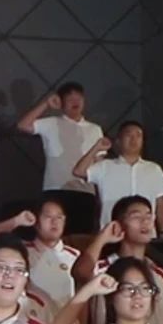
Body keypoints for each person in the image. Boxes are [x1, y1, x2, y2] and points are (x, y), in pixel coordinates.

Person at [17, 81, 105, 229]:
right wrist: (46, 104)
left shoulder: (94, 129)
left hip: (85, 191)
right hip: (55, 190)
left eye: (79, 98)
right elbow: (23, 125)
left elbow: (99, 165)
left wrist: (100, 195)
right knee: (54, 232)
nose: (75, 102)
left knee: (82, 235)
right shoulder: (51, 123)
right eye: (70, 99)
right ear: (61, 102)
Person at [72, 120, 163, 233]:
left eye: (138, 136)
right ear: (118, 141)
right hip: (111, 232)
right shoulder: (105, 166)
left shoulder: (154, 169)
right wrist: (96, 148)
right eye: (129, 135)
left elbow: (160, 203)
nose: (134, 139)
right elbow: (78, 171)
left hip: (145, 233)